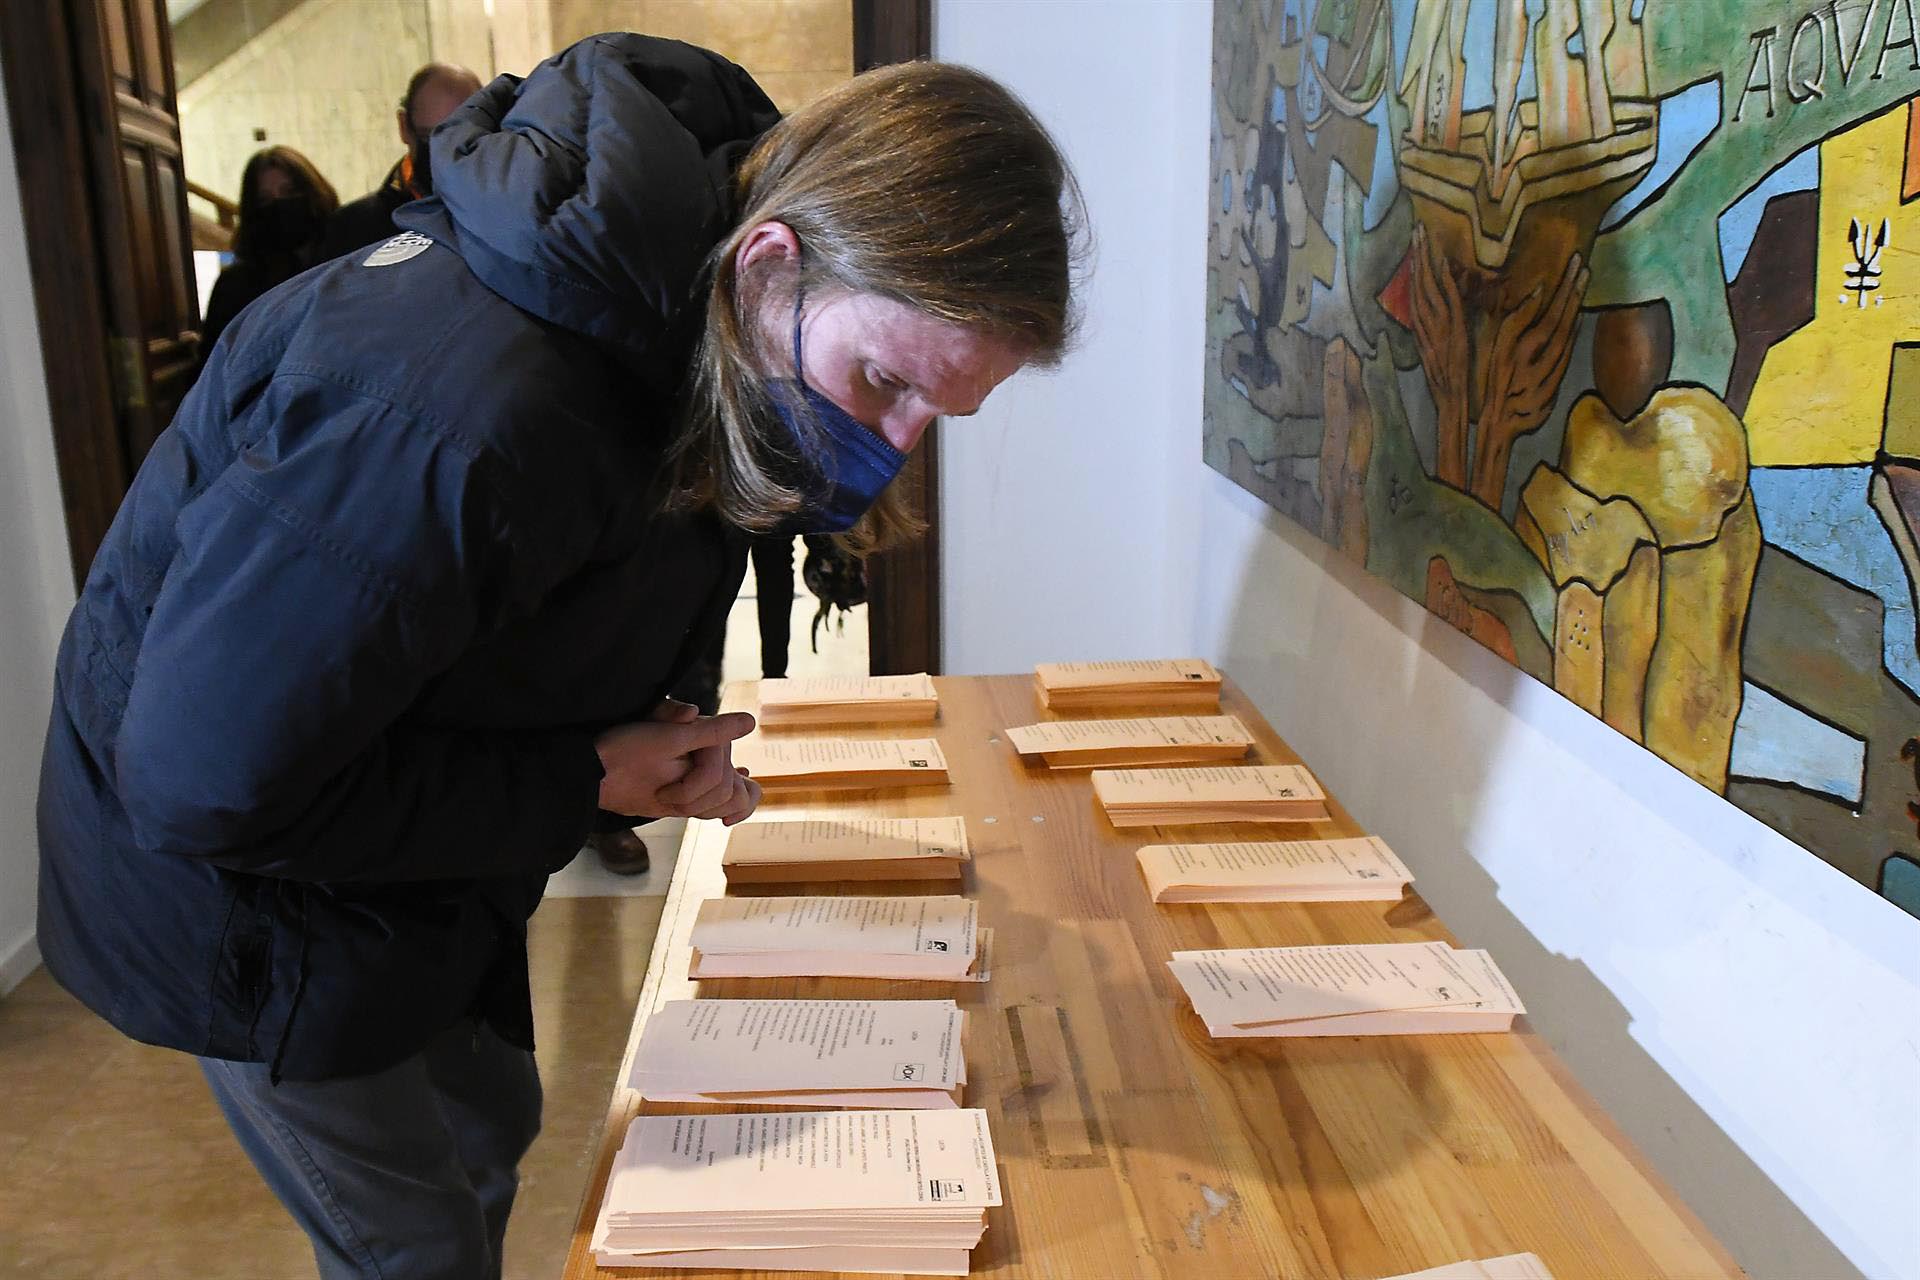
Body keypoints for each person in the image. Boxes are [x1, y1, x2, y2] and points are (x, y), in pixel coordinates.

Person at [37, 32, 1077, 1280]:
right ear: (772, 261)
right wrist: (583, 774)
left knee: (490, 1120)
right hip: (241, 891)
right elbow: (210, 782)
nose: (895, 445)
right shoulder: (461, 413)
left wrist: (646, 718)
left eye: (936, 415)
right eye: (884, 382)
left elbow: (603, 554)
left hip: (393, 832)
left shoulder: (695, 308)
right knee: (410, 1239)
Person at [318, 62, 483, 261]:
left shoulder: (509, 214)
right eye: (429, 137)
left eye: (461, 137)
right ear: (404, 126)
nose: (444, 152)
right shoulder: (356, 227)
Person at [198, 146, 338, 358]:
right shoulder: (235, 286)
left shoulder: (347, 261)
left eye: (289, 192)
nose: (280, 205)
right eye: (265, 200)